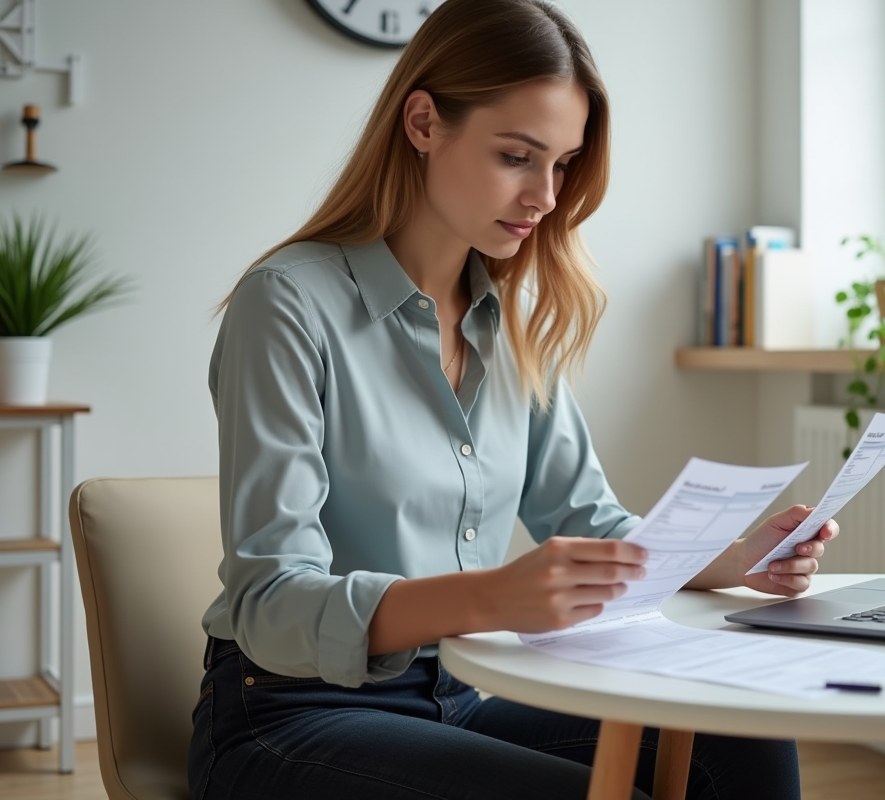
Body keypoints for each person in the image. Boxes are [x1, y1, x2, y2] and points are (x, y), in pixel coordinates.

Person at [188, 1, 838, 798]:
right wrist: (492, 595)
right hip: (290, 716)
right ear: (423, 121)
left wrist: (733, 562)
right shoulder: (288, 303)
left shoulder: (511, 323)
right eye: (517, 156)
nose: (545, 195)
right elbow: (269, 603)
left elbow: (593, 525)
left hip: (458, 698)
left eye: (562, 165)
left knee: (740, 733)